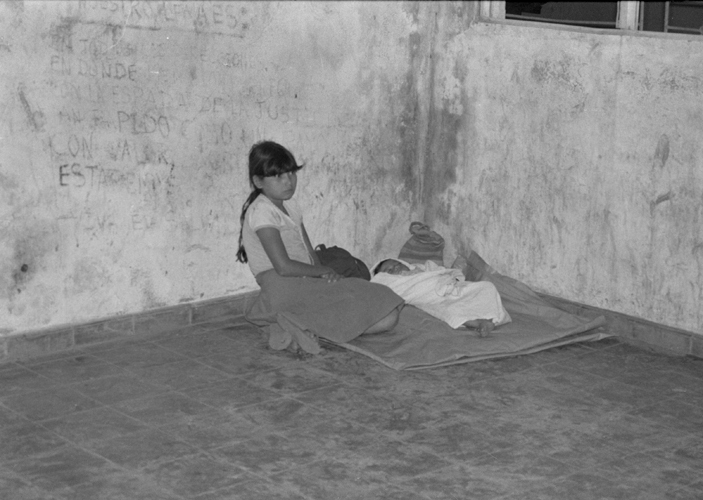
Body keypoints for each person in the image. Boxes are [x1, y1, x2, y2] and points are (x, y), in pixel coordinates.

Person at [237, 140, 404, 353]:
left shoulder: (290, 205)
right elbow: (283, 267)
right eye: (278, 176)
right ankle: (296, 323)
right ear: (258, 181)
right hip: (283, 286)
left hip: (305, 280)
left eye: (291, 173)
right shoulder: (261, 211)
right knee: (385, 313)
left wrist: (324, 276)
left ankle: (297, 324)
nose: (288, 181)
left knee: (386, 309)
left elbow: (309, 253)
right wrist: (322, 271)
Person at [371, 258, 511, 337]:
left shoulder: (421, 269)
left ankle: (491, 317)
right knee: (449, 311)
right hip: (434, 299)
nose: (396, 268)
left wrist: (452, 279)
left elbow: (443, 271)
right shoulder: (398, 284)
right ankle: (479, 323)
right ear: (385, 277)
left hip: (452, 287)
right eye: (390, 270)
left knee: (486, 287)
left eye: (397, 264)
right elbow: (389, 290)